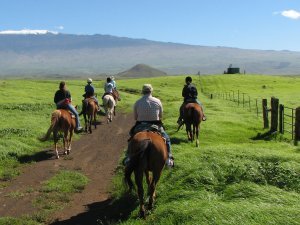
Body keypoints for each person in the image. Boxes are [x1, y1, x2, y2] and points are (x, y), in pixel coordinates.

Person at [126, 84, 174, 168]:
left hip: (140, 125)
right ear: (151, 91)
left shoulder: (137, 102)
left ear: (142, 91)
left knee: (131, 138)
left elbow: (135, 117)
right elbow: (161, 116)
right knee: (167, 138)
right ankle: (169, 159)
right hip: (155, 125)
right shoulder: (157, 101)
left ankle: (128, 157)